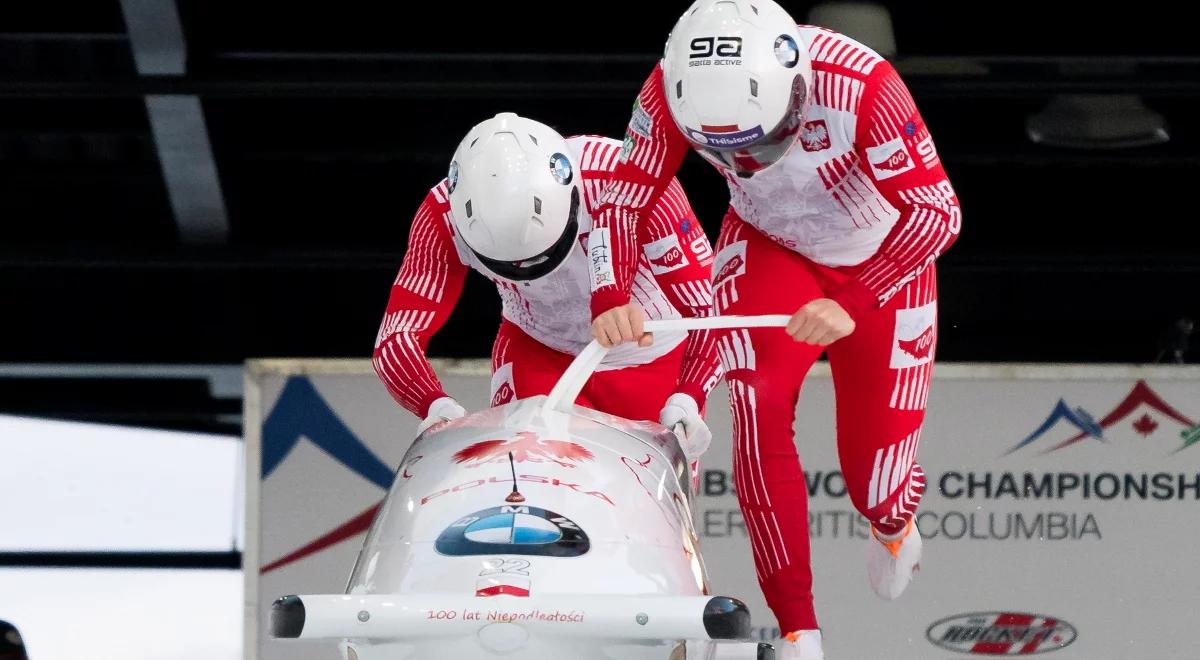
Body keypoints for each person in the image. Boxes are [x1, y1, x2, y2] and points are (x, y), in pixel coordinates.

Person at [587, 1, 961, 657]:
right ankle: (797, 629)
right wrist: (611, 291)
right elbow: (624, 194)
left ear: (795, 87)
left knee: (878, 484)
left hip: (883, 261)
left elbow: (937, 213)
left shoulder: (860, 84)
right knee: (754, 398)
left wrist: (857, 295)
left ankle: (894, 523)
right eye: (726, 150)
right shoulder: (667, 89)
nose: (751, 160)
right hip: (769, 244)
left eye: (761, 140)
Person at [372, 113, 720, 458]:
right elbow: (396, 336)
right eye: (509, 265)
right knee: (524, 486)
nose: (528, 270)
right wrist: (434, 405)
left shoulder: (633, 178)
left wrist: (689, 395)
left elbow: (712, 310)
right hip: (540, 354)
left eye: (543, 256)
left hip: (656, 360)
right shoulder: (441, 216)